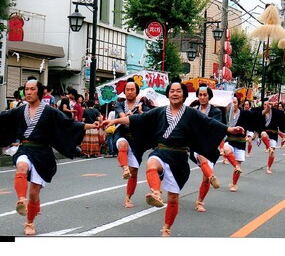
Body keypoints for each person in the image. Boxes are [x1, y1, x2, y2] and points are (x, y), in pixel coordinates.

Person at [101, 77, 244, 236]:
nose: (175, 93)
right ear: (168, 95)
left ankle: (167, 229)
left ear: (183, 95)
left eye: (178, 91)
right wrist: (114, 121)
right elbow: (136, 119)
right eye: (172, 91)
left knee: (174, 198)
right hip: (162, 151)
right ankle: (156, 192)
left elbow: (209, 123)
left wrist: (229, 130)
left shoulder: (191, 113)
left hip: (180, 158)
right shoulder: (159, 111)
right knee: (151, 162)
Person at [0, 79, 99, 236]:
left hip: (43, 153)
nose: (28, 92)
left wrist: (91, 126)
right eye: (26, 89)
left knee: (33, 193)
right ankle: (21, 200)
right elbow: (2, 119)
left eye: (32, 89)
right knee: (21, 167)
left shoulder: (50, 111)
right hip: (25, 148)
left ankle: (30, 222)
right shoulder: (19, 111)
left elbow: (68, 124)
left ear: (39, 92)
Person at [113, 78, 149, 209]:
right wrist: (127, 116)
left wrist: (140, 113)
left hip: (137, 140)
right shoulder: (119, 104)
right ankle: (124, 168)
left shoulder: (143, 105)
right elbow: (122, 117)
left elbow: (149, 119)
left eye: (132, 89)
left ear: (137, 91)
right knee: (122, 145)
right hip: (122, 134)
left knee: (134, 172)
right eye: (127, 90)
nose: (129, 92)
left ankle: (128, 198)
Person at [189, 84, 222, 212]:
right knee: (201, 158)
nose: (202, 97)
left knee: (205, 179)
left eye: (205, 95)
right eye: (200, 95)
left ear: (209, 97)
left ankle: (200, 202)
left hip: (210, 147)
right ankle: (212, 176)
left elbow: (215, 128)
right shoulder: (193, 110)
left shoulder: (216, 112)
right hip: (196, 145)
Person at [222, 96, 257, 191]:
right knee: (226, 148)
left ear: (239, 104)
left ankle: (233, 184)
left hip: (241, 142)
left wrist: (249, 135)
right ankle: (235, 166)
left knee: (239, 163)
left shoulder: (245, 114)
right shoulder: (226, 114)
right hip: (229, 140)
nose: (233, 105)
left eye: (235, 103)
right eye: (231, 103)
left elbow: (251, 126)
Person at [259, 100, 285, 174]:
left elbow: (281, 115)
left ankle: (268, 167)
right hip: (265, 132)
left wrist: (273, 107)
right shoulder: (261, 113)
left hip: (273, 134)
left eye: (268, 104)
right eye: (264, 104)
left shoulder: (274, 113)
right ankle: (269, 148)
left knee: (272, 153)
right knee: (263, 134)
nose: (266, 106)